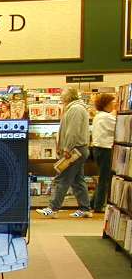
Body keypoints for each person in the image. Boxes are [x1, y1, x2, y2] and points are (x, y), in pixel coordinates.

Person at [36, 86, 92, 218]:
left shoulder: (75, 109)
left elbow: (72, 131)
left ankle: (52, 209)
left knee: (61, 179)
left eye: (63, 94)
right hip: (78, 149)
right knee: (78, 180)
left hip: (74, 150)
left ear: (69, 96)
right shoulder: (76, 108)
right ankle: (85, 208)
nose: (61, 97)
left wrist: (67, 148)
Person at [90, 93, 117, 213]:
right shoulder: (106, 117)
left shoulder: (98, 116)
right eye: (112, 103)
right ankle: (98, 205)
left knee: (103, 177)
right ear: (106, 104)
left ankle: (94, 202)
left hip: (98, 149)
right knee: (105, 179)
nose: (113, 105)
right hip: (105, 150)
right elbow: (118, 126)